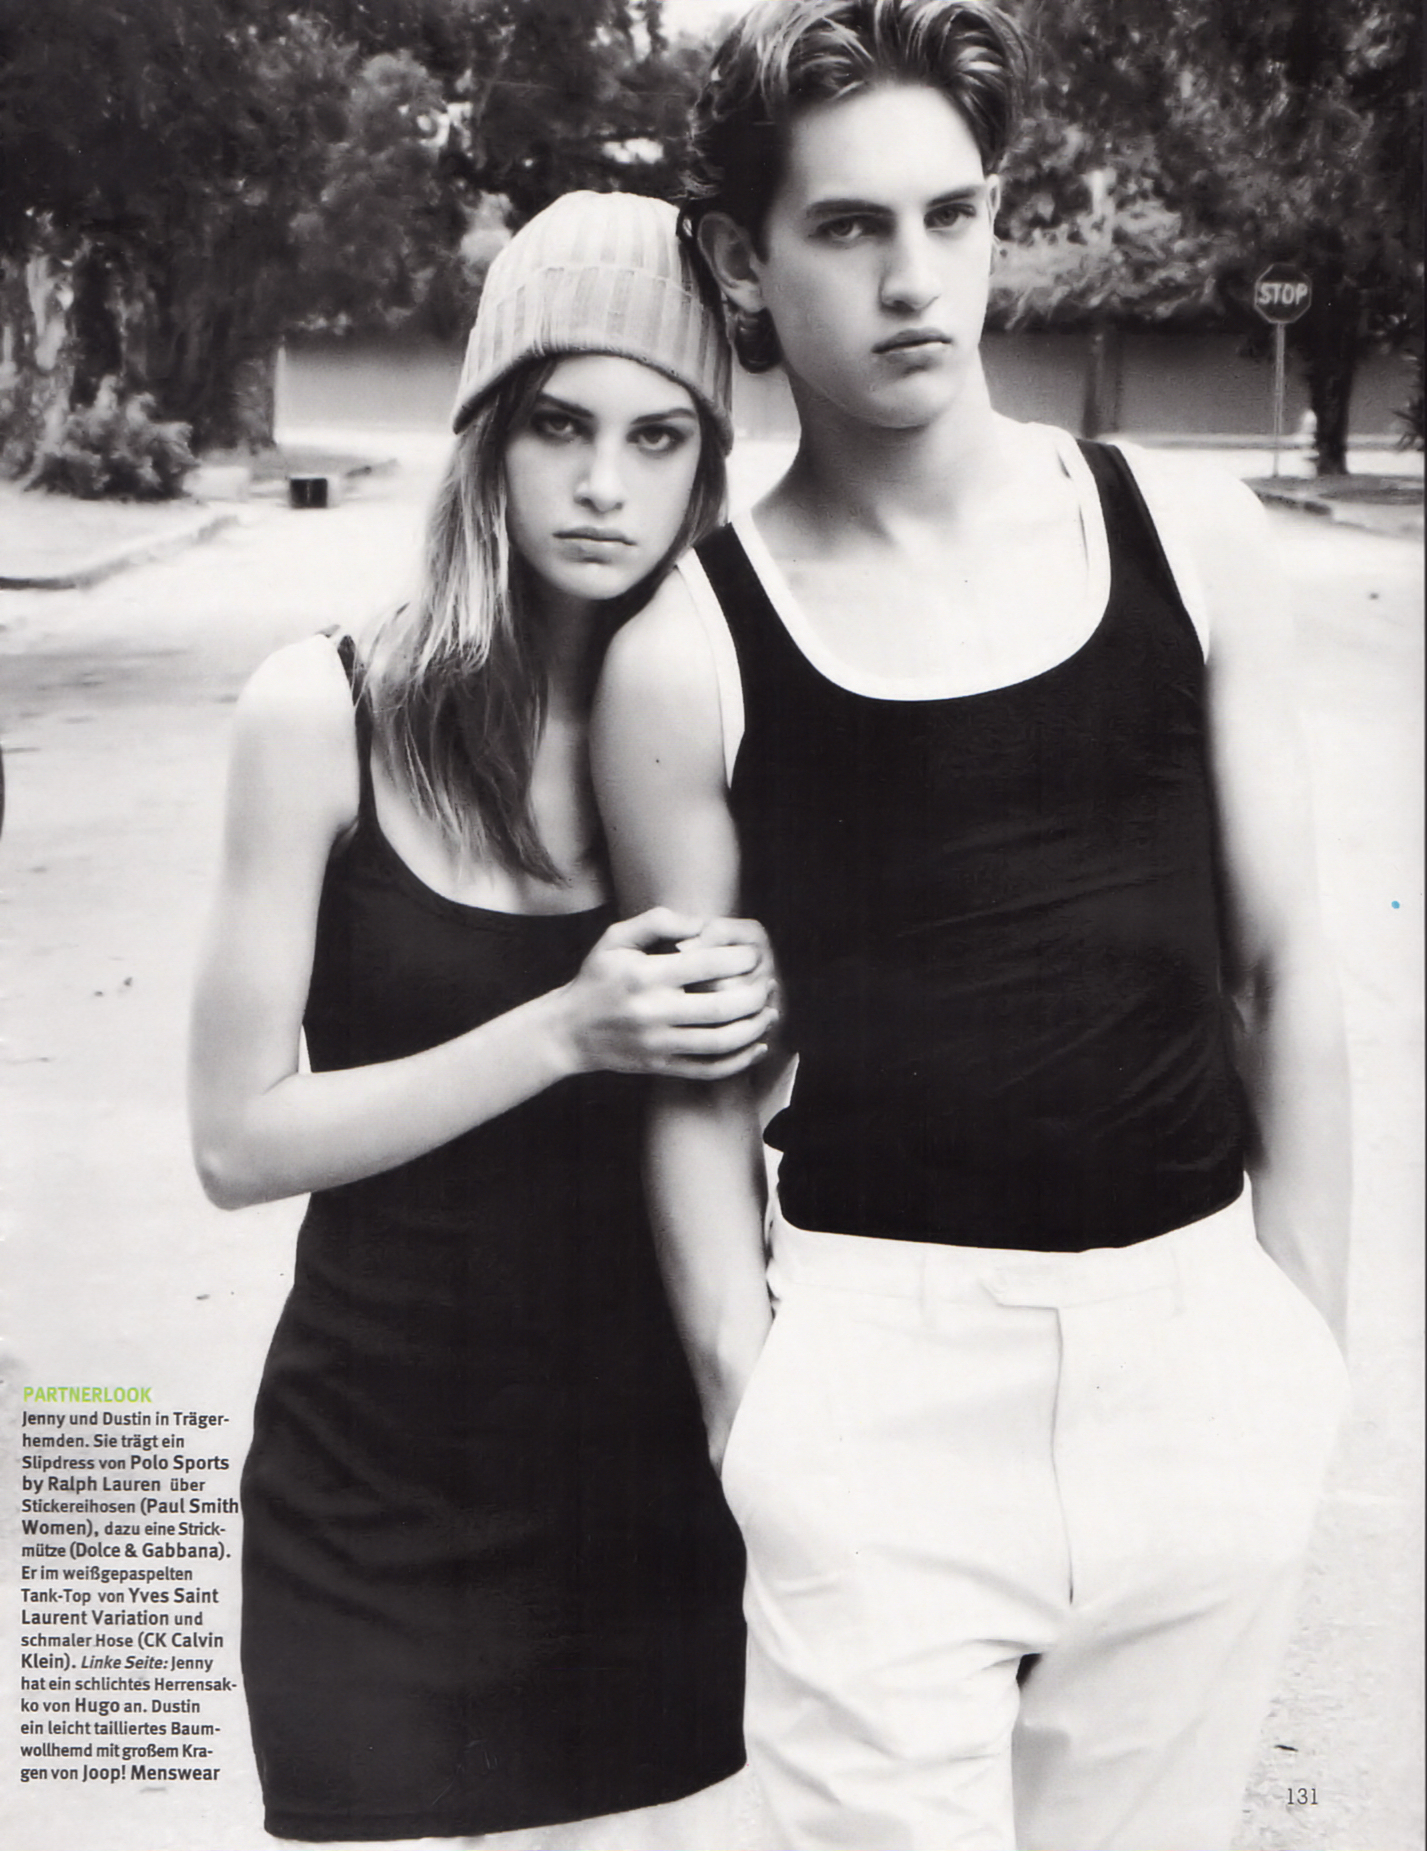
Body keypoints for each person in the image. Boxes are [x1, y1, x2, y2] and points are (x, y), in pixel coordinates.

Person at [591, 5, 1352, 1847]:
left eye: (953, 214)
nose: (914, 279)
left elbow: (1280, 972)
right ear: (743, 260)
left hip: (1195, 1363)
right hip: (880, 1386)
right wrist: (753, 1408)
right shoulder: (688, 646)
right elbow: (695, 1076)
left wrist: (1303, 1357)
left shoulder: (1186, 537)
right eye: (849, 227)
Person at [188, 190, 778, 1848]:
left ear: (706, 465)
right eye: (559, 426)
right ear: (485, 440)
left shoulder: (739, 725)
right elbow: (236, 1141)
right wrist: (563, 1031)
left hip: (644, 1495)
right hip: (370, 1496)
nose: (604, 486)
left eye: (659, 437)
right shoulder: (323, 712)